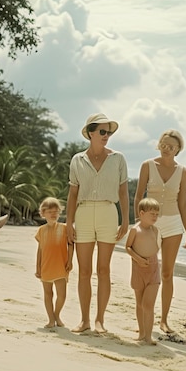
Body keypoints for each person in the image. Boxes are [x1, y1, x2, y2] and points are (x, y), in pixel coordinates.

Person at [66, 113, 129, 334]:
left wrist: (126, 220)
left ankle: (100, 319)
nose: (106, 136)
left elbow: (123, 191)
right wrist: (68, 223)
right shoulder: (77, 160)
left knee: (104, 270)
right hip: (83, 214)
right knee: (84, 271)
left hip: (108, 213)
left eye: (109, 132)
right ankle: (84, 320)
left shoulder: (118, 158)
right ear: (90, 133)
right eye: (102, 132)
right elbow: (72, 194)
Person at [133, 129, 186, 334]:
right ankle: (142, 315)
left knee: (167, 273)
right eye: (163, 145)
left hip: (174, 223)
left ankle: (164, 320)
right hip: (150, 224)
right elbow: (138, 195)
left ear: (178, 150)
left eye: (171, 147)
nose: (166, 149)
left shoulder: (183, 171)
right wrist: (139, 223)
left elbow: (183, 203)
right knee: (145, 269)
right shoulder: (148, 166)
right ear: (159, 145)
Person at [125, 198, 161, 345]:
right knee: (140, 303)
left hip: (153, 269)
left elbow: (157, 247)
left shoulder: (156, 230)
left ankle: (148, 336)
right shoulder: (135, 230)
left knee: (148, 304)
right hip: (138, 268)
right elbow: (128, 247)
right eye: (152, 213)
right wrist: (138, 259)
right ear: (141, 213)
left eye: (157, 214)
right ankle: (141, 333)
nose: (155, 217)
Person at [34, 197, 74, 328]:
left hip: (61, 265)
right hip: (46, 266)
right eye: (50, 211)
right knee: (48, 294)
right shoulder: (41, 230)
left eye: (56, 211)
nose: (53, 214)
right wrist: (37, 267)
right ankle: (51, 319)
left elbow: (71, 245)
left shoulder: (64, 228)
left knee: (62, 295)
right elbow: (40, 250)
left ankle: (56, 315)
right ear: (43, 213)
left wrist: (70, 260)